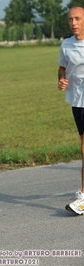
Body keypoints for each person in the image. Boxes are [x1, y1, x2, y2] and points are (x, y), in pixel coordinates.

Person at [58, 6, 84, 215]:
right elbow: (62, 68)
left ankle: (83, 197)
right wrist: (61, 80)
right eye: (70, 20)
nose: (73, 23)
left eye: (77, 19)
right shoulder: (66, 45)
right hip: (77, 100)